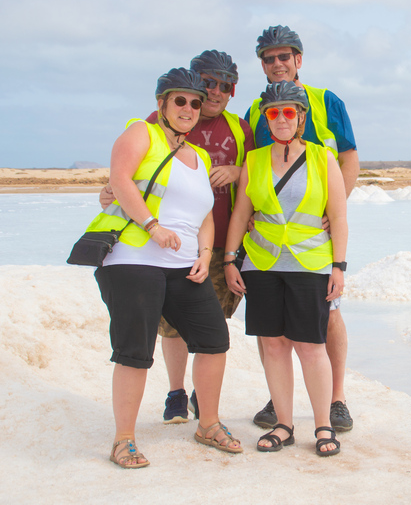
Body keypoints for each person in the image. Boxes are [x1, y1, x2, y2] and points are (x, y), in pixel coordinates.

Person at [87, 68, 242, 468]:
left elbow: (205, 214)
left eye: (194, 102)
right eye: (180, 101)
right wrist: (153, 227)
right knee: (135, 351)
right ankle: (124, 439)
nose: (189, 108)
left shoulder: (199, 156)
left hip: (182, 267)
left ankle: (208, 424)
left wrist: (205, 254)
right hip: (133, 260)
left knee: (214, 340)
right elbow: (119, 180)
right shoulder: (142, 132)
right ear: (162, 104)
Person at [245, 25, 358, 432]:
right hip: (271, 241)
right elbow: (250, 166)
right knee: (272, 329)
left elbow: (348, 158)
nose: (277, 64)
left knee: (326, 316)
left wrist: (335, 204)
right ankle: (281, 404)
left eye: (283, 56)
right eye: (268, 58)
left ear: (299, 59)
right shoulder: (258, 109)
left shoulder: (326, 102)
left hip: (318, 229)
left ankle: (337, 398)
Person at [225, 81, 348, 457]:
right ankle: (284, 424)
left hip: (309, 265)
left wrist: (338, 266)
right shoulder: (255, 160)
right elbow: (241, 213)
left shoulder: (322, 158)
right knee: (273, 345)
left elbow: (339, 216)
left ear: (301, 118)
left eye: (288, 112)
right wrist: (231, 259)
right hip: (262, 264)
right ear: (266, 118)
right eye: (273, 112)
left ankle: (324, 425)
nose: (281, 118)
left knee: (311, 347)